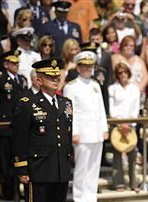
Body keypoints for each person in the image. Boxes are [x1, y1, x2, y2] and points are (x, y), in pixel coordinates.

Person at [12, 58, 73, 202]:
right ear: (39, 80)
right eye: (50, 76)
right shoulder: (28, 104)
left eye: (57, 76)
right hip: (39, 168)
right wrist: (22, 168)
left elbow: (67, 134)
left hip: (60, 168)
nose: (55, 79)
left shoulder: (66, 103)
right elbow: (19, 138)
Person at [63, 51, 108, 202]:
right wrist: (73, 132)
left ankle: (91, 196)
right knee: (82, 168)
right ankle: (80, 197)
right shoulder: (71, 86)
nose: (89, 69)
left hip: (96, 132)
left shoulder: (95, 84)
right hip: (82, 133)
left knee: (94, 167)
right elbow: (70, 112)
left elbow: (101, 108)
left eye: (91, 66)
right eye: (85, 66)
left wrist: (104, 128)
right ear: (78, 68)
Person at [0, 50, 28, 200]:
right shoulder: (0, 79)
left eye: (17, 62)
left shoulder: (22, 79)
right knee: (4, 162)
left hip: (18, 127)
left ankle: (15, 191)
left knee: (17, 161)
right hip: (4, 126)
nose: (16, 65)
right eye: (13, 62)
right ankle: (6, 192)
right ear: (6, 64)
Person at [108, 62, 140, 192]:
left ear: (128, 73)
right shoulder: (112, 89)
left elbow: (136, 108)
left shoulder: (135, 89)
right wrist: (119, 124)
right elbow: (112, 108)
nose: (122, 75)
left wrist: (129, 124)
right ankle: (118, 183)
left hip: (131, 124)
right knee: (116, 154)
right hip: (116, 124)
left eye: (125, 72)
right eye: (120, 73)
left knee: (132, 154)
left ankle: (133, 182)